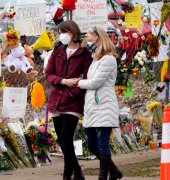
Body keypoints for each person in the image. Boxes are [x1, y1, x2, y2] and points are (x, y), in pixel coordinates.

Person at [45, 20, 92, 180]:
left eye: (63, 32)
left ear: (71, 33)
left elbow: (88, 78)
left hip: (72, 101)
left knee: (66, 137)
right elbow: (49, 74)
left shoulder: (84, 53)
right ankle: (77, 172)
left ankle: (67, 173)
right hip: (56, 100)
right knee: (63, 140)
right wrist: (64, 81)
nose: (61, 35)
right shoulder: (57, 50)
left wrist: (74, 92)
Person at [76, 26, 123, 180]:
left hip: (104, 104)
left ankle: (103, 176)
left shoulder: (108, 59)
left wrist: (79, 83)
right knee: (91, 144)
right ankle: (114, 171)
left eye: (89, 37)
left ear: (98, 38)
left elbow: (96, 82)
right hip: (93, 105)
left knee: (102, 143)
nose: (87, 40)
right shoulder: (97, 59)